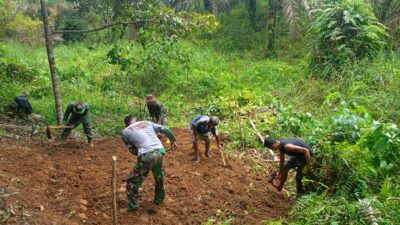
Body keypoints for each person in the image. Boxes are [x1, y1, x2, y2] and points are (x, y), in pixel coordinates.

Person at [122, 115, 177, 211]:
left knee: (132, 181)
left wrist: (143, 156)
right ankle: (159, 200)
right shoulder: (146, 122)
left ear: (126, 124)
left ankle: (134, 206)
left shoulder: (125, 132)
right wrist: (173, 141)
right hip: (160, 151)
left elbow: (132, 149)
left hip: (147, 154)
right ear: (136, 120)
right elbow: (165, 129)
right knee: (159, 176)